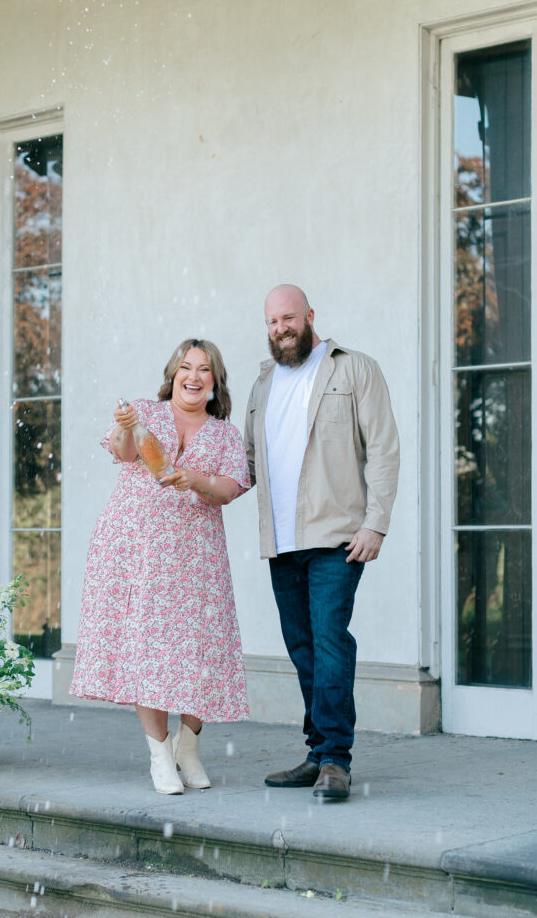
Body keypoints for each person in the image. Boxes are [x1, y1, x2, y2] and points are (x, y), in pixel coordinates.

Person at [70, 338, 250, 794]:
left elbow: (229, 490)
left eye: (204, 369)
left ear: (215, 380)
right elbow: (125, 453)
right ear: (173, 374)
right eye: (186, 367)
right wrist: (125, 426)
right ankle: (158, 754)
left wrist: (196, 480)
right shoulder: (145, 413)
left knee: (202, 648)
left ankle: (187, 747)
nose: (194, 377)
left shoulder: (226, 434)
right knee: (147, 649)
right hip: (136, 549)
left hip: (196, 555)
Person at [244, 284, 399, 801]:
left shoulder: (353, 369)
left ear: (309, 316)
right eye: (271, 322)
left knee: (331, 642)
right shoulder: (263, 384)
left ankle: (336, 759)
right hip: (281, 542)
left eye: (288, 318)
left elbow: (383, 449)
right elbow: (245, 464)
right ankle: (317, 753)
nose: (280, 329)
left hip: (337, 535)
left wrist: (375, 523)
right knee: (303, 648)